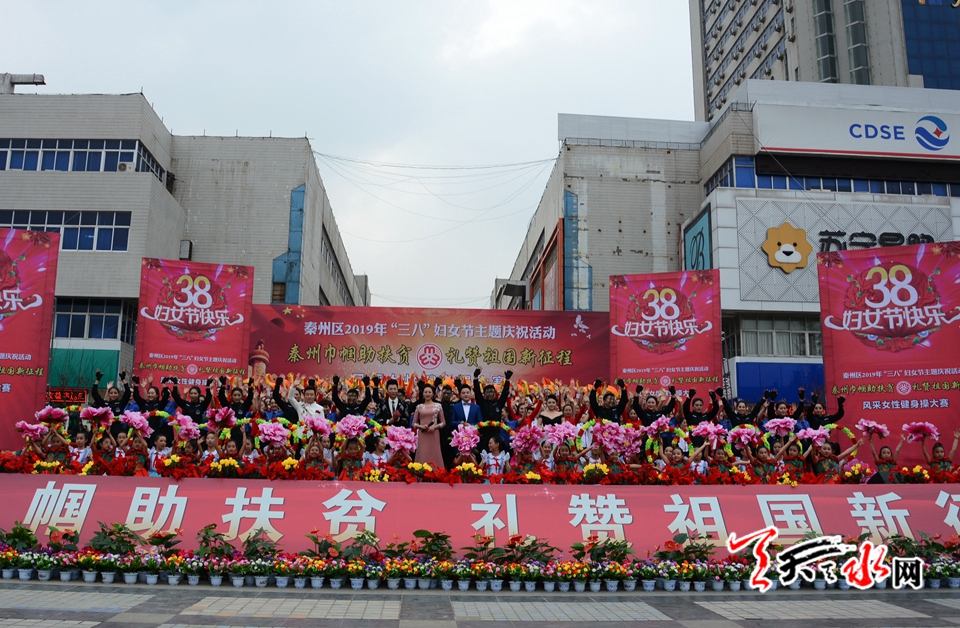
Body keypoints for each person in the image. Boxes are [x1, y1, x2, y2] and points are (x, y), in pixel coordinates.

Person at [413, 384, 445, 468]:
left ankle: (437, 472)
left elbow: (443, 423)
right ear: (422, 394)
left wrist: (435, 427)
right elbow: (414, 423)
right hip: (423, 434)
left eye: (429, 392)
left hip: (434, 433)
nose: (427, 394)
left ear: (433, 394)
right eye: (425, 392)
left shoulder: (438, 406)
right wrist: (421, 427)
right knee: (423, 452)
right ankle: (421, 471)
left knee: (435, 452)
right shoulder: (419, 407)